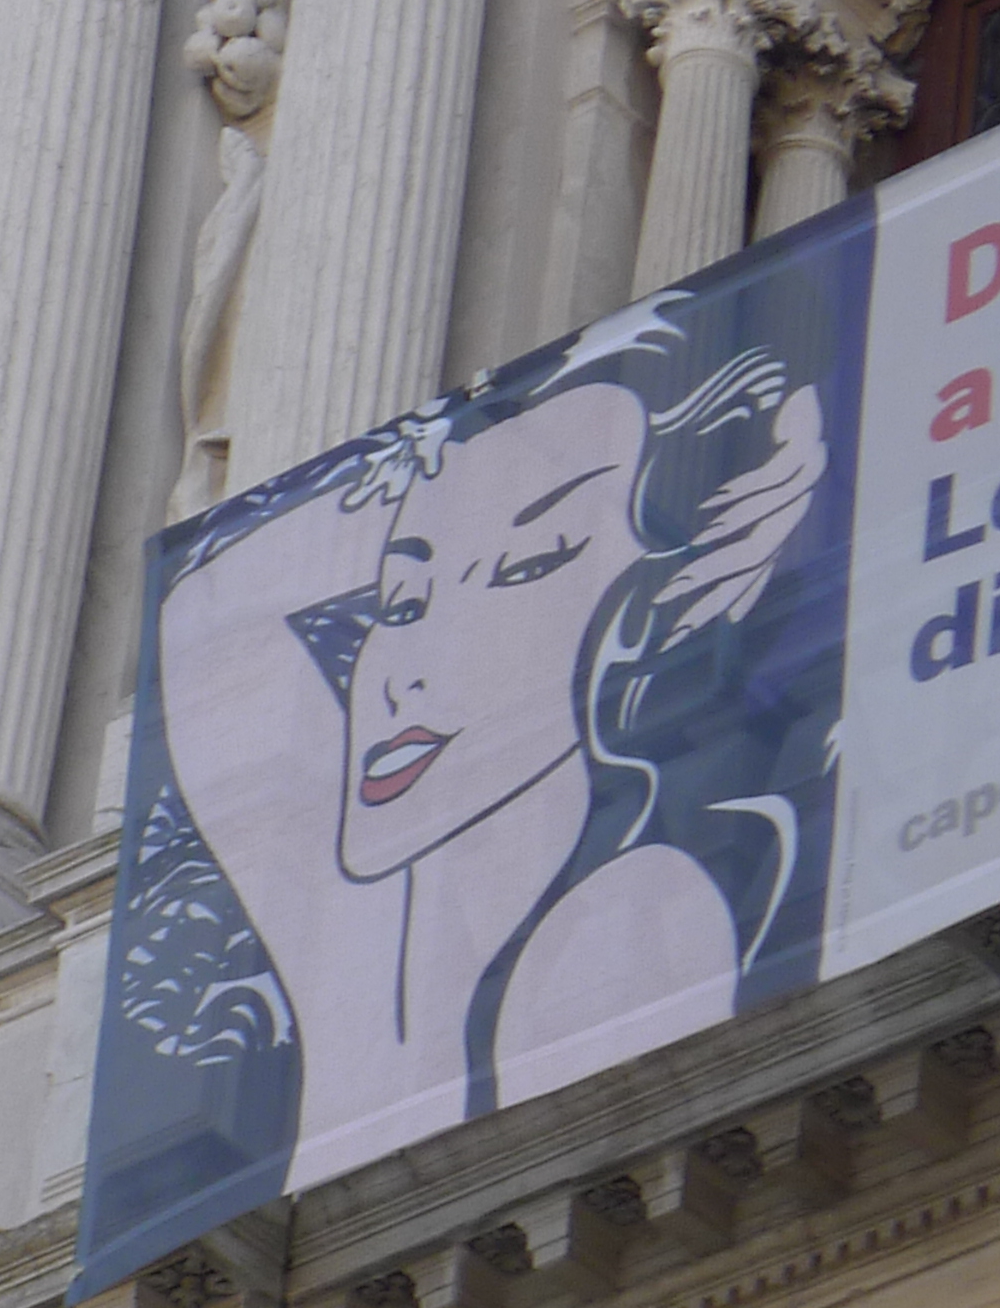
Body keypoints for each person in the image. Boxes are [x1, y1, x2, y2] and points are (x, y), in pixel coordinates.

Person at [126, 280, 846, 1193]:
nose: (407, 666)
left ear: (641, 615)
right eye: (400, 599)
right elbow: (207, 609)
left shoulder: (637, 905)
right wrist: (433, 472)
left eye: (525, 567)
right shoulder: (359, 934)